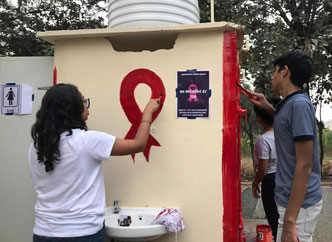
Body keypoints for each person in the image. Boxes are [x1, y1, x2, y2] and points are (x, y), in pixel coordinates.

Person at [29, 83, 161, 242]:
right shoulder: (87, 140)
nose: (86, 106)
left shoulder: (37, 146)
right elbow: (138, 144)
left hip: (44, 232)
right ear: (72, 108)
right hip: (82, 232)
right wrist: (147, 113)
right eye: (83, 101)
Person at [249, 51, 322, 242]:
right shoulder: (289, 105)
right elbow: (286, 125)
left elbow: (305, 164)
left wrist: (290, 220)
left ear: (284, 71)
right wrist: (267, 106)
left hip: (300, 205)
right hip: (291, 201)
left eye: (275, 71)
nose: (272, 76)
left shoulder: (299, 105)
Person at [252, 98, 280, 241]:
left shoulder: (263, 139)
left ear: (258, 118)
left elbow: (263, 170)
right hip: (283, 177)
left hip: (270, 181)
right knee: (282, 218)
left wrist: (255, 183)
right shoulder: (282, 135)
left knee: (273, 218)